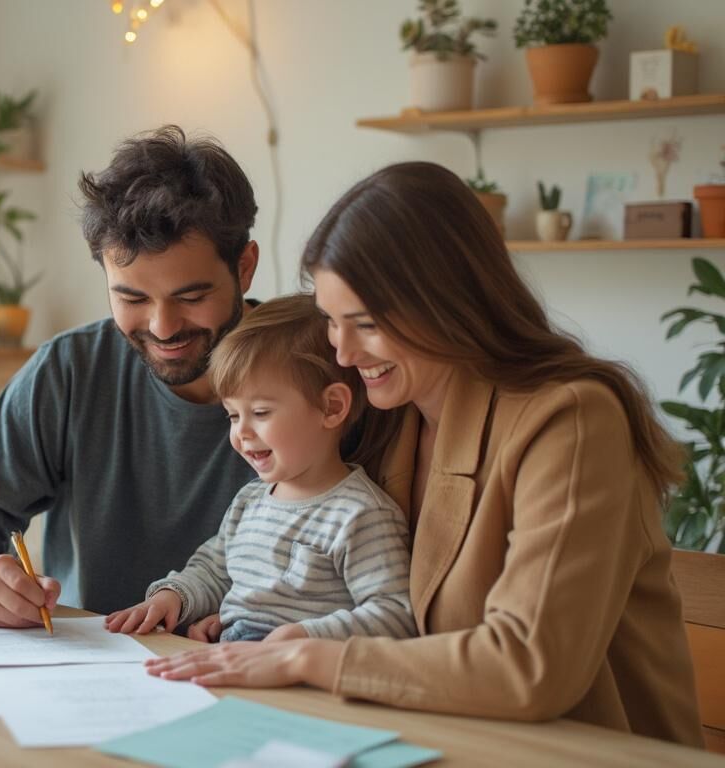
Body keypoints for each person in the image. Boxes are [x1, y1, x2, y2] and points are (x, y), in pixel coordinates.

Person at [144, 161, 704, 747]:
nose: (343, 352)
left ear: (447, 302)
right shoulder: (392, 417)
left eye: (365, 325)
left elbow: (528, 666)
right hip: (423, 738)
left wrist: (305, 658)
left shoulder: (573, 421)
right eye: (334, 323)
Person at [0, 125, 270, 623]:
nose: (163, 328)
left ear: (245, 268)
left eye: (191, 297)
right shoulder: (71, 370)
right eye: (132, 298)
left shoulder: (317, 370)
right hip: (92, 668)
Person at [105, 295, 414, 645]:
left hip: (300, 681)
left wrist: (302, 636)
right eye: (233, 415)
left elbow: (395, 614)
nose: (242, 433)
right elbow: (214, 570)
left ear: (332, 406)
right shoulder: (250, 500)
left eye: (261, 413)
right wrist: (172, 597)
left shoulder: (360, 514)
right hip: (234, 663)